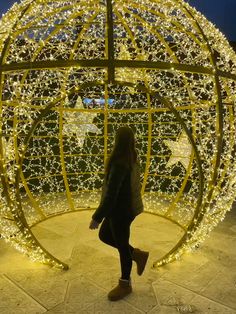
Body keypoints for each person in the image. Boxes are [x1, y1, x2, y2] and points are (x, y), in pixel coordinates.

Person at [89, 126, 149, 301]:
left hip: (120, 211)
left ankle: (125, 284)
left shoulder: (119, 162)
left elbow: (111, 193)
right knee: (105, 235)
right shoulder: (131, 156)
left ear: (117, 140)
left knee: (122, 246)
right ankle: (137, 254)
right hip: (125, 208)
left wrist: (97, 217)